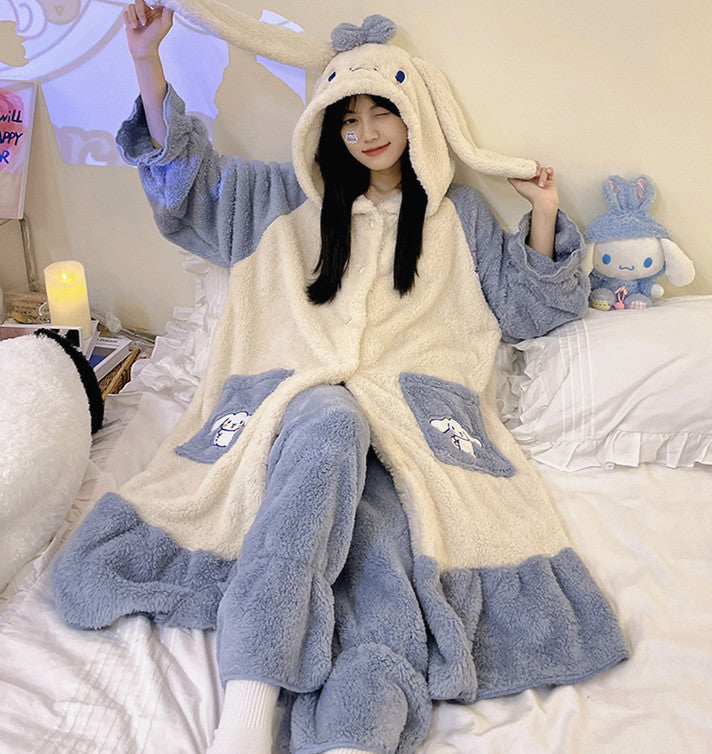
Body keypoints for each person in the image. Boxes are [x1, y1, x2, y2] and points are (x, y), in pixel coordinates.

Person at [52, 3, 628, 754]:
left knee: (381, 558)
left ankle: (355, 735)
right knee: (331, 423)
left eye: (381, 110)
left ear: (413, 115)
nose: (366, 131)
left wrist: (545, 212)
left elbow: (527, 311)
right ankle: (247, 711)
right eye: (348, 118)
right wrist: (145, 63)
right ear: (325, 127)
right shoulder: (282, 202)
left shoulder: (455, 215)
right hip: (297, 407)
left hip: (413, 423)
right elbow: (187, 188)